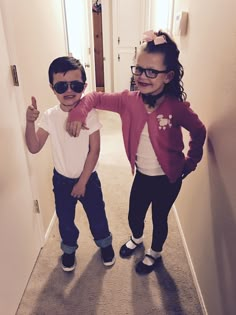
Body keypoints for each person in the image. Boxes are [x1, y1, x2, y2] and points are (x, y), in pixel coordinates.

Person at [66, 30, 206, 275]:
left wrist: (190, 161)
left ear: (168, 76)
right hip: (142, 175)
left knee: (160, 218)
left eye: (152, 71)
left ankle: (155, 252)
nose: (142, 76)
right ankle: (137, 238)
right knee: (134, 213)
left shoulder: (176, 108)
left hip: (169, 178)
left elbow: (199, 130)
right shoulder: (127, 101)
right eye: (138, 69)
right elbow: (94, 97)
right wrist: (78, 112)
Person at [25, 56, 115, 272]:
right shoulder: (49, 116)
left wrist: (83, 182)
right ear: (52, 88)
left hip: (88, 179)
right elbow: (34, 146)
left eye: (75, 85)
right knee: (65, 219)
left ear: (83, 86)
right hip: (62, 180)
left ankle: (104, 243)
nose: (69, 90)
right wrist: (29, 122)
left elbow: (95, 150)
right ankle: (68, 249)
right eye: (61, 85)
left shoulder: (90, 114)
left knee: (97, 215)